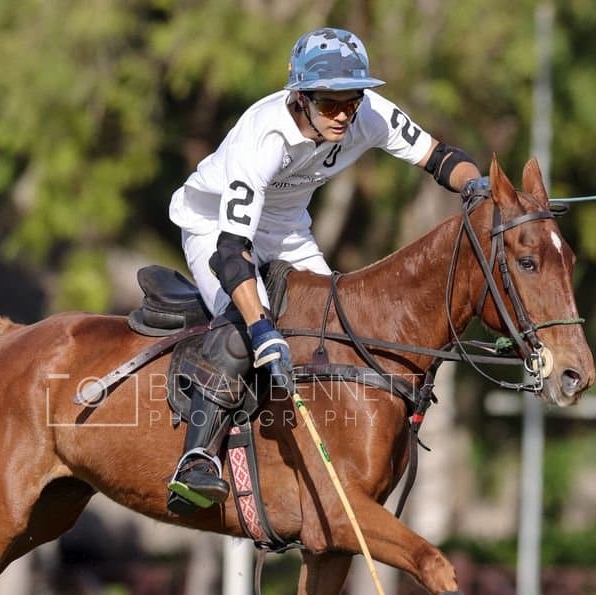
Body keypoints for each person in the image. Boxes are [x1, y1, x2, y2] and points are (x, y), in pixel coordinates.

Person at [165, 27, 487, 513]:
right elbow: (232, 252)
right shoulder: (263, 137)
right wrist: (261, 325)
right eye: (329, 103)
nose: (342, 115)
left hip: (289, 231)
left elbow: (440, 158)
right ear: (300, 97)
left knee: (334, 326)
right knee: (243, 331)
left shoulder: (368, 114)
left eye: (351, 102)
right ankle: (195, 460)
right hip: (214, 227)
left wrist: (477, 188)